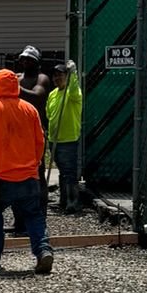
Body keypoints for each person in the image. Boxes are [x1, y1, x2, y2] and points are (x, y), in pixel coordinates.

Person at [0, 68, 53, 275]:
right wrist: (34, 164)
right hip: (28, 176)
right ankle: (43, 251)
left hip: (0, 176)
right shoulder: (29, 109)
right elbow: (40, 141)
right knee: (34, 216)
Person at [46, 59, 84, 214]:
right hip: (54, 140)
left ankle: (73, 202)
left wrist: (73, 73)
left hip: (68, 140)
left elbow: (74, 89)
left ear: (66, 76)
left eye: (60, 75)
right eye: (55, 76)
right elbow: (49, 114)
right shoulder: (53, 94)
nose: (57, 78)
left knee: (69, 172)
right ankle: (63, 200)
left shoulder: (73, 93)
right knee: (63, 171)